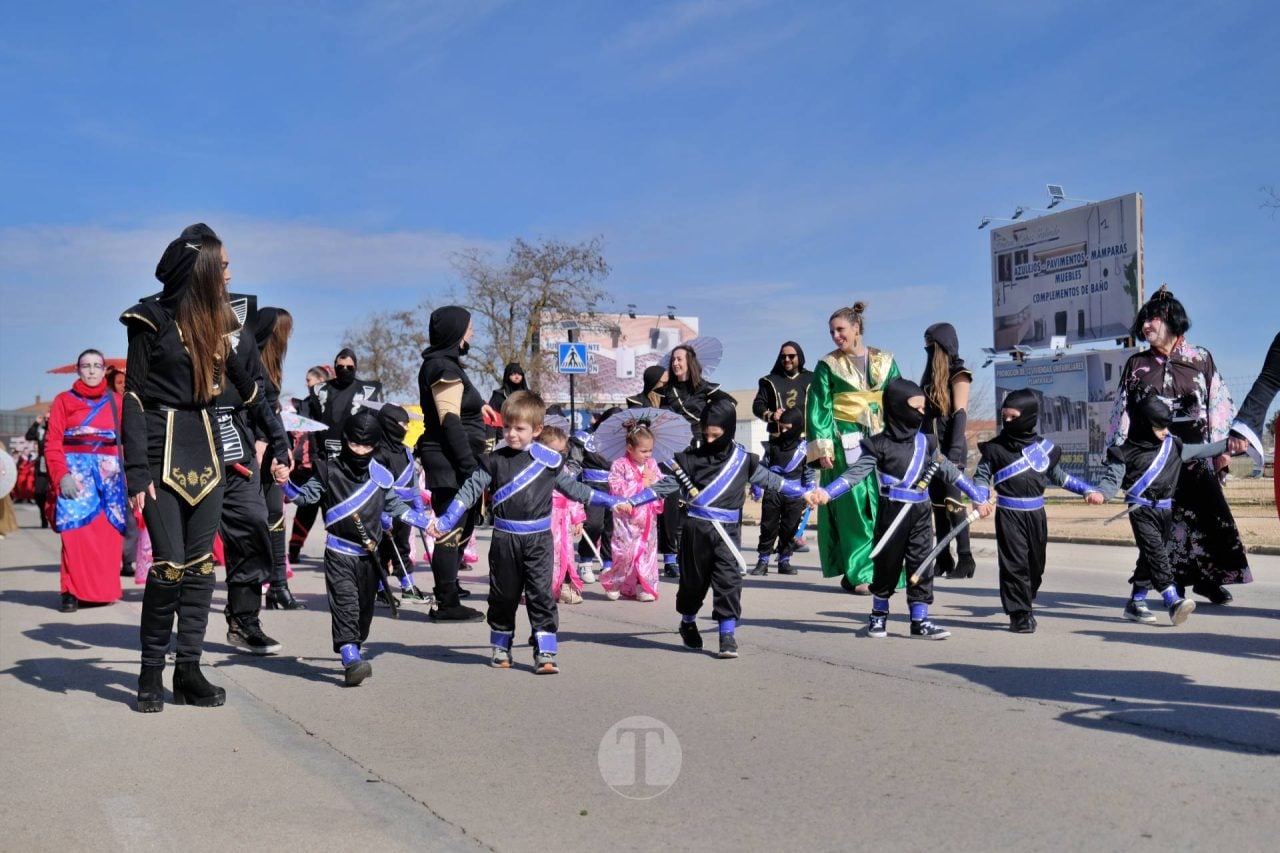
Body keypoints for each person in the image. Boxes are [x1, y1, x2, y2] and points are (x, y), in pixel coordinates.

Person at [121, 223, 288, 712]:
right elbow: (133, 397)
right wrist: (136, 470)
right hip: (161, 451)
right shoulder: (148, 318)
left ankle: (188, 671)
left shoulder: (221, 323)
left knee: (200, 567)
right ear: (202, 269)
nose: (230, 275)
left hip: (209, 452)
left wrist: (279, 441)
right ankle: (150, 672)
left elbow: (252, 389)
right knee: (168, 566)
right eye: (224, 266)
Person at [429, 391, 632, 673]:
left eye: (519, 428)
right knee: (503, 595)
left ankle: (545, 650)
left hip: (539, 541)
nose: (511, 434)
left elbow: (576, 490)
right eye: (507, 427)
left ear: (537, 429)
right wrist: (446, 520)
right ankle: (501, 645)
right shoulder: (493, 460)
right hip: (504, 540)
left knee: (541, 595)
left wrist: (611, 501)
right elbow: (470, 491)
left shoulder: (549, 461)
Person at [1105, 286, 1250, 604]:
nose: (1146, 326)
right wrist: (1118, 454)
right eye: (1143, 321)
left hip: (1197, 455)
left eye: (1152, 319)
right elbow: (1122, 413)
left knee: (1206, 519)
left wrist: (1222, 451)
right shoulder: (1137, 365)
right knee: (1164, 524)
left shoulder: (1201, 358)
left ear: (1172, 320)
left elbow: (1219, 404)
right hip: (1154, 461)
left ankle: (1208, 581)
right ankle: (1171, 584)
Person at [819, 379, 988, 640]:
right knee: (886, 565)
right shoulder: (878, 444)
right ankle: (878, 615)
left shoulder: (926, 443)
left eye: (923, 408)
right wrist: (827, 493)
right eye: (915, 407)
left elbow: (950, 472)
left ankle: (920, 620)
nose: (921, 413)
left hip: (920, 513)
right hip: (892, 512)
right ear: (898, 408)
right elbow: (855, 475)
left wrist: (978, 496)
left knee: (923, 565)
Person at [277, 410, 431, 685]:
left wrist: (427, 523)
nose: (360, 450)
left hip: (370, 557)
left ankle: (355, 648)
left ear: (375, 445)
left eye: (366, 446)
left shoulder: (382, 476)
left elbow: (395, 506)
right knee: (345, 605)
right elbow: (304, 498)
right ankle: (350, 658)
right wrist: (284, 484)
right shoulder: (328, 470)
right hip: (339, 552)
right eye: (354, 444)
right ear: (345, 440)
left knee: (363, 614)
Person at [660, 398, 819, 658]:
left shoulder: (743, 461)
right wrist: (631, 500)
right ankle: (687, 622)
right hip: (695, 532)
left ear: (729, 430)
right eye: (705, 434)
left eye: (716, 435)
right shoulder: (687, 461)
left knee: (729, 581)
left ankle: (727, 635)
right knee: (692, 585)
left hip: (727, 533)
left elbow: (774, 481)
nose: (709, 440)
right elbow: (660, 488)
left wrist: (803, 492)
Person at [1094, 391, 1229, 626]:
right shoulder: (1123, 453)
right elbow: (1111, 481)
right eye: (1159, 427)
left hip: (1166, 512)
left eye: (1167, 426)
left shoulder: (1173, 446)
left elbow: (1203, 450)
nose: (1165, 431)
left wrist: (1233, 443)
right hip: (1141, 511)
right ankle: (1172, 599)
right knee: (1157, 553)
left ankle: (1136, 602)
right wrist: (1101, 494)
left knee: (1149, 556)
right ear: (1143, 424)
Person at [972, 389, 1100, 632]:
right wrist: (980, 497)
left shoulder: (1043, 448)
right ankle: (1020, 614)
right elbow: (981, 476)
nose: (1007, 421)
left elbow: (1059, 477)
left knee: (1035, 566)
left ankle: (1024, 598)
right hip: (1009, 515)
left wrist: (1086, 490)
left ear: (1029, 416)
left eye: (1013, 416)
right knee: (1015, 565)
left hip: (1036, 515)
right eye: (1004, 416)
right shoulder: (995, 448)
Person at [806, 302, 900, 594]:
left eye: (840, 329)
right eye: (832, 332)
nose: (836, 336)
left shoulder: (885, 360)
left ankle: (888, 570)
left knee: (886, 503)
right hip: (845, 441)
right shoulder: (827, 365)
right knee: (854, 505)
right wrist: (823, 448)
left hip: (882, 438)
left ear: (856, 327)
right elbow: (818, 407)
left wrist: (902, 437)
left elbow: (898, 397)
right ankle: (860, 572)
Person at [215, 304, 293, 656]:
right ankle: (181, 639)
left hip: (241, 457)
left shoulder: (244, 344)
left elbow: (260, 399)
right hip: (191, 453)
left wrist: (277, 444)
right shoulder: (174, 325)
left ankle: (245, 622)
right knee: (187, 551)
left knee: (253, 527)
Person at [417, 306, 487, 621]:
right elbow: (450, 421)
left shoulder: (447, 365)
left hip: (455, 459)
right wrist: (469, 467)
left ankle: (450, 589)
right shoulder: (441, 366)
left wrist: (480, 407)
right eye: (469, 327)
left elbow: (458, 408)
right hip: (451, 461)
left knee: (463, 526)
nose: (472, 332)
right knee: (451, 529)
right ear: (456, 331)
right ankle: (446, 603)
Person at [43, 349, 127, 612]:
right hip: (75, 478)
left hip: (110, 479)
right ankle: (70, 591)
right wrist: (61, 475)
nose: (91, 370)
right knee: (74, 535)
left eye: (96, 366)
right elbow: (52, 442)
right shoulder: (63, 401)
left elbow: (129, 441)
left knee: (107, 537)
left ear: (104, 370)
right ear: (78, 370)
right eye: (86, 365)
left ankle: (102, 591)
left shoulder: (117, 401)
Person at [659, 344, 733, 578]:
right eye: (673, 360)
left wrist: (711, 422)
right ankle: (670, 557)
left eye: (679, 359)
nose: (675, 363)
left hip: (700, 449)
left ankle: (700, 554)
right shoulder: (665, 391)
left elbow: (729, 407)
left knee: (697, 502)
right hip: (673, 452)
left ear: (690, 361)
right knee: (672, 502)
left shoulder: (707, 389)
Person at [255, 308, 305, 610]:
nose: (291, 336)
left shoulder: (273, 366)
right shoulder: (255, 363)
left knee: (276, 515)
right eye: (288, 330)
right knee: (260, 517)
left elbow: (272, 413)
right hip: (256, 448)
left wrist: (283, 446)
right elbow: (257, 410)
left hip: (271, 444)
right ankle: (263, 585)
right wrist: (266, 443)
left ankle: (278, 586)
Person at [919, 323, 976, 579]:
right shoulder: (930, 378)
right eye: (926, 345)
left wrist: (953, 454)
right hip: (930, 451)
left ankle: (966, 558)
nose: (929, 350)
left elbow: (960, 414)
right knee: (937, 507)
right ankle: (943, 558)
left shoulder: (958, 373)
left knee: (954, 504)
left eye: (932, 344)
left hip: (951, 450)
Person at [600, 420, 665, 601]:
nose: (648, 455)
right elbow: (615, 488)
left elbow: (662, 487)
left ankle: (644, 586)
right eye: (643, 451)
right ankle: (615, 583)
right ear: (630, 448)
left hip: (647, 518)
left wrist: (654, 482)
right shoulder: (619, 464)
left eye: (650, 450)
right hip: (626, 519)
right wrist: (640, 484)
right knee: (624, 553)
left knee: (647, 553)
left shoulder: (652, 464)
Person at [374, 403, 432, 604]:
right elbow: (378, 487)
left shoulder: (406, 450)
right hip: (386, 510)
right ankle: (381, 588)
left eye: (407, 424)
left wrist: (418, 506)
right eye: (402, 424)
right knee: (382, 551)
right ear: (389, 424)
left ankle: (408, 586)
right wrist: (383, 516)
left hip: (405, 510)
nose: (406, 428)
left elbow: (413, 482)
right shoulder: (378, 453)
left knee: (403, 548)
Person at [749, 407, 813, 575]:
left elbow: (809, 473)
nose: (784, 431)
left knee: (790, 529)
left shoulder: (805, 448)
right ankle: (763, 561)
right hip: (773, 491)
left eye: (788, 428)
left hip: (796, 494)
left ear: (797, 426)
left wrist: (811, 492)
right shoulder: (773, 446)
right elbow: (763, 467)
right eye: (781, 427)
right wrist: (756, 485)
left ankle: (784, 560)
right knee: (768, 527)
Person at [288, 365, 334, 561]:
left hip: (329, 466)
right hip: (307, 468)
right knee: (305, 511)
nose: (306, 384)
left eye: (309, 380)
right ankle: (294, 550)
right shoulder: (304, 405)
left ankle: (335, 551)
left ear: (321, 381)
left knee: (331, 512)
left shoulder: (334, 403)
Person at [539, 423, 586, 605]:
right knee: (543, 554)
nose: (557, 456)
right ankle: (540, 589)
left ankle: (564, 587)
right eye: (553, 452)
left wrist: (578, 518)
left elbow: (573, 493)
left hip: (562, 520)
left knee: (565, 553)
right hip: (543, 519)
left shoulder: (563, 470)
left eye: (561, 452)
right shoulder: (534, 470)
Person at [571, 406, 618, 584]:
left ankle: (608, 563)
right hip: (592, 487)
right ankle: (585, 560)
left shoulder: (624, 442)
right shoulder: (585, 438)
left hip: (616, 488)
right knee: (593, 524)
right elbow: (574, 463)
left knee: (612, 527)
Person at [310, 348, 384, 461]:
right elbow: (313, 424)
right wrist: (314, 455)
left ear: (355, 367)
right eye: (340, 367)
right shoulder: (319, 390)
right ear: (335, 367)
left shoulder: (367, 391)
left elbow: (375, 424)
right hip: (324, 454)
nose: (345, 370)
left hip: (356, 455)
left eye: (349, 367)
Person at [752, 341, 812, 437]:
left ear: (799, 357)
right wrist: (772, 415)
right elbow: (758, 406)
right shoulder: (769, 381)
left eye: (791, 356)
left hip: (805, 439)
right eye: (783, 356)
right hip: (779, 440)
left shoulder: (812, 379)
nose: (787, 359)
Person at [25, 414, 50, 528]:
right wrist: (36, 423)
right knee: (39, 493)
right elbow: (29, 436)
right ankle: (43, 517)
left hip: (55, 464)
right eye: (45, 419)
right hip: (42, 465)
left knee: (55, 494)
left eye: (49, 418)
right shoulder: (41, 431)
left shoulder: (59, 429)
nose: (47, 420)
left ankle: (54, 516)